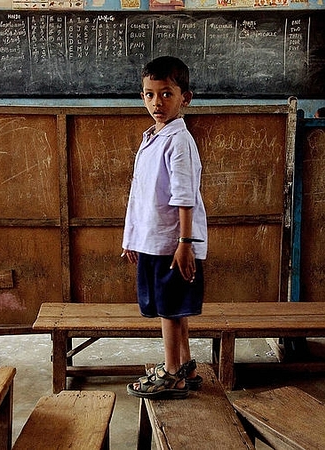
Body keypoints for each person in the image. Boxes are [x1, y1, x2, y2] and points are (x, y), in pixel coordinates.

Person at [122, 56, 207, 399]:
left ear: (186, 97)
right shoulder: (152, 138)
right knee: (171, 307)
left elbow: (184, 195)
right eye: (150, 94)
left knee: (170, 310)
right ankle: (184, 365)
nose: (157, 102)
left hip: (172, 244)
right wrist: (132, 239)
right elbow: (140, 195)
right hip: (153, 241)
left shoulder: (178, 140)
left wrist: (185, 242)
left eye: (167, 94)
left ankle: (172, 374)